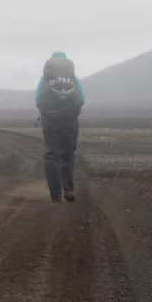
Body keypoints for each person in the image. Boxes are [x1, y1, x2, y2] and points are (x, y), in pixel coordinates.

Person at [35, 51, 85, 203]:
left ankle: (55, 194)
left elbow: (38, 101)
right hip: (70, 121)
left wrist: (50, 113)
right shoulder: (73, 78)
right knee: (68, 154)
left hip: (50, 121)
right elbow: (81, 99)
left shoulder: (45, 79)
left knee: (51, 155)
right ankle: (68, 189)